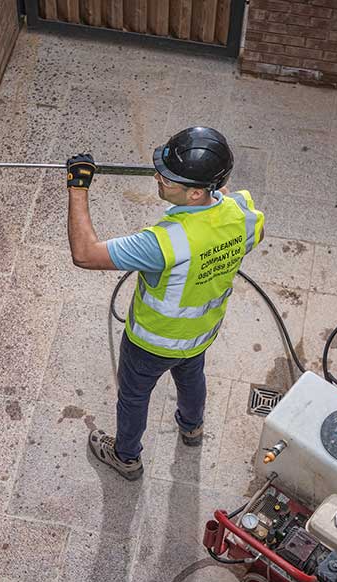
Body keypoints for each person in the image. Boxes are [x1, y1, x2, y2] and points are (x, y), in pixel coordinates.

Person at [65, 126, 265, 481]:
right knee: (191, 377)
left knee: (133, 397)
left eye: (168, 179)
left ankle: (126, 457)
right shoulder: (244, 214)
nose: (158, 177)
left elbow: (84, 254)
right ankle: (192, 427)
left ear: (195, 193)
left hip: (152, 342)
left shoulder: (162, 244)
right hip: (201, 333)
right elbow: (232, 210)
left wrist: (78, 187)